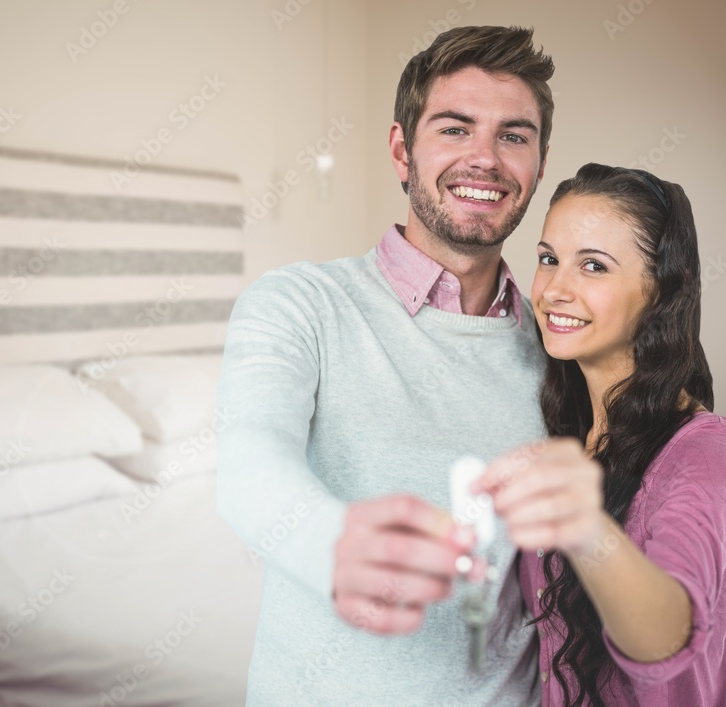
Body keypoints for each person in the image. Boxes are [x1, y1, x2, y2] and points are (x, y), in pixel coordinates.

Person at [218, 25, 553, 705]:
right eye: (455, 129)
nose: (484, 159)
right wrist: (329, 540)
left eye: (513, 136)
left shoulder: (558, 343)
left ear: (539, 165)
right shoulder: (300, 304)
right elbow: (248, 463)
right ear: (402, 150)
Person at [476, 164, 725, 705]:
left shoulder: (704, 453)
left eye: (593, 266)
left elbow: (667, 636)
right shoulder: (571, 431)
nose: (554, 290)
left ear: (661, 290)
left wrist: (585, 527)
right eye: (548, 259)